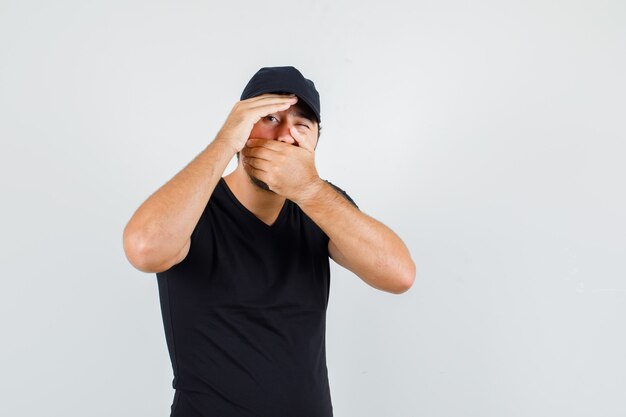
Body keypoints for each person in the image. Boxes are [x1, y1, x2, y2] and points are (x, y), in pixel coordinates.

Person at [122, 66, 416, 417]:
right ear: (239, 127)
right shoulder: (194, 203)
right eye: (270, 118)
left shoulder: (321, 205)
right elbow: (143, 249)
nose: (285, 136)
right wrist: (222, 144)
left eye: (302, 126)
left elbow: (399, 275)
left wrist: (308, 188)